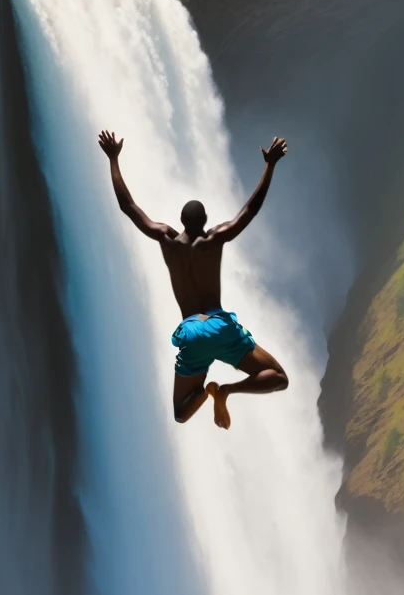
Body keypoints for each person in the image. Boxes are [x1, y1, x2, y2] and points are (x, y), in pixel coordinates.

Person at [98, 129, 289, 429]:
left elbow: (129, 207)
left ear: (181, 222)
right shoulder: (215, 239)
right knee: (278, 378)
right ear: (205, 222)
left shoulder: (166, 240)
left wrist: (113, 159)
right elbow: (250, 210)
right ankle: (227, 390)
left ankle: (207, 391)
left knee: (180, 413)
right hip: (220, 325)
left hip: (192, 332)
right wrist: (270, 165)